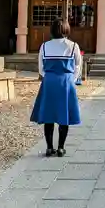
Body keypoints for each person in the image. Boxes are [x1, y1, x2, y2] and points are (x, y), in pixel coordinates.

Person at [30, 19, 82, 157]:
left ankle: (49, 147)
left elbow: (41, 68)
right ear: (66, 29)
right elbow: (78, 65)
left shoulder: (45, 46)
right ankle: (60, 147)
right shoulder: (73, 46)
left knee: (49, 114)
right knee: (63, 114)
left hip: (49, 81)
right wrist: (72, 78)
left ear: (52, 30)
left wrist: (47, 76)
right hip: (66, 81)